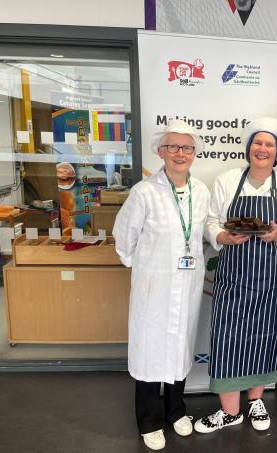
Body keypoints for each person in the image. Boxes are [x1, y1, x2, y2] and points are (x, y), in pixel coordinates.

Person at [195, 118, 277, 434]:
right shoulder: (227, 181)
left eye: (269, 144)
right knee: (228, 339)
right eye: (257, 143)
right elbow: (210, 221)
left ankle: (256, 400)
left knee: (266, 338)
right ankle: (230, 411)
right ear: (248, 148)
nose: (262, 149)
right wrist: (223, 236)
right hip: (234, 279)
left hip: (273, 281)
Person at [113, 119, 210, 451]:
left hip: (187, 287)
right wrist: (145, 270)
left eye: (186, 148)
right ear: (161, 151)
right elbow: (124, 238)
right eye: (173, 147)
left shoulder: (201, 191)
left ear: (194, 153)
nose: (180, 153)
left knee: (179, 347)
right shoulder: (144, 192)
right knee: (150, 352)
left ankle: (176, 410)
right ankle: (149, 420)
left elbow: (203, 233)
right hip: (153, 289)